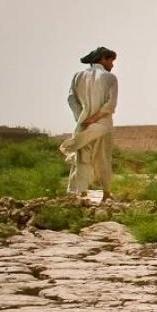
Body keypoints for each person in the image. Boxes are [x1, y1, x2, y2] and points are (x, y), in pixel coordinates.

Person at [60, 46, 118, 202]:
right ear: (102, 59)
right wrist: (95, 118)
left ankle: (81, 193)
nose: (112, 65)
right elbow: (110, 104)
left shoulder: (77, 76)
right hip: (103, 125)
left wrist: (81, 117)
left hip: (83, 124)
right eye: (111, 61)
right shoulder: (110, 78)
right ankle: (106, 194)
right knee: (103, 159)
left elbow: (71, 99)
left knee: (82, 159)